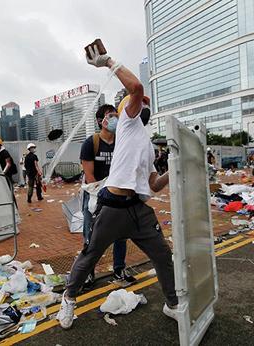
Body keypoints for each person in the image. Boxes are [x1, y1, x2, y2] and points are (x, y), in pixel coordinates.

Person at [57, 42, 177, 329]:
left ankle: (173, 304)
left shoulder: (146, 145)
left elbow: (154, 185)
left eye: (145, 102)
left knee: (163, 255)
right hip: (112, 207)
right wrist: (108, 61)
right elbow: (135, 89)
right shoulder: (127, 122)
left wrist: (173, 167)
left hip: (138, 209)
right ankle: (68, 300)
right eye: (137, 101)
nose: (141, 102)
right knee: (90, 256)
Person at [79, 103, 134, 288]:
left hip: (117, 192)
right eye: (110, 115)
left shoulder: (122, 141)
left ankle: (119, 269)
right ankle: (88, 272)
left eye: (115, 115)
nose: (115, 119)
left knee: (120, 234)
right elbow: (89, 175)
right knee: (91, 234)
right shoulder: (91, 143)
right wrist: (101, 198)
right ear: (100, 121)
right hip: (95, 194)